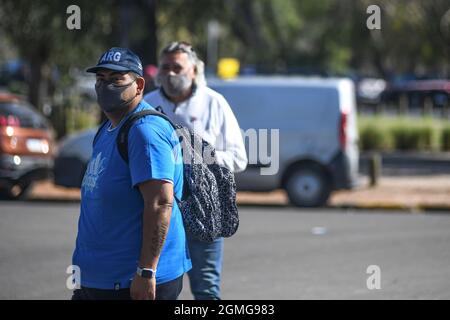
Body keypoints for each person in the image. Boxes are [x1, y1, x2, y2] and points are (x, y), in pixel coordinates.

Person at [71, 47, 191, 300]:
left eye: (116, 80)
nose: (106, 86)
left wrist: (146, 271)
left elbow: (160, 203)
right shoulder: (108, 129)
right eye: (101, 79)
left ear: (138, 85)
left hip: (131, 282)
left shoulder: (144, 132)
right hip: (98, 279)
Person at [144, 41, 247, 300]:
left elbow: (238, 159)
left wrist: (195, 158)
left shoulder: (214, 103)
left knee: (206, 290)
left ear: (193, 70)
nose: (169, 73)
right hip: (159, 213)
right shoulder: (147, 104)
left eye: (177, 67)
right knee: (157, 288)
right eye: (165, 67)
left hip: (203, 212)